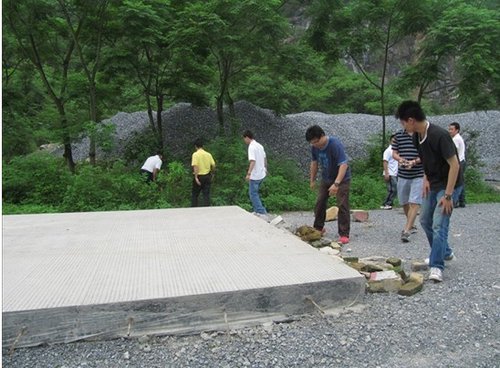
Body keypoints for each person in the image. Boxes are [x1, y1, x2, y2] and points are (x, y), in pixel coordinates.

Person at [396, 100, 463, 282]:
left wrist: (448, 195)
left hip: (450, 185)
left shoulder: (439, 135)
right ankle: (444, 252)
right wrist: (425, 178)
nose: (402, 126)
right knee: (425, 220)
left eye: (402, 122)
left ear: (410, 120)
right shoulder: (417, 136)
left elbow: (455, 165)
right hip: (433, 183)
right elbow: (424, 159)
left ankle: (436, 265)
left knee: (439, 224)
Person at [305, 125, 351, 245]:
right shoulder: (314, 147)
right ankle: (318, 228)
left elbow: (343, 165)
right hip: (326, 177)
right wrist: (312, 180)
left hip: (342, 178)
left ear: (322, 136)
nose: (315, 145)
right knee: (320, 201)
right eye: (312, 143)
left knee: (342, 204)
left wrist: (336, 184)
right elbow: (314, 163)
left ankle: (344, 233)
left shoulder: (335, 144)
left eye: (316, 142)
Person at [392, 119, 424, 242]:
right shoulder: (398, 135)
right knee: (404, 201)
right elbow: (394, 153)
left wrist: (414, 161)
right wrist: (401, 160)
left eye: (405, 121)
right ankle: (411, 223)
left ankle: (406, 230)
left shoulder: (421, 135)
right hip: (403, 173)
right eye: (402, 122)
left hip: (418, 173)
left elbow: (426, 154)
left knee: (414, 202)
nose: (404, 124)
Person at [243, 130, 267, 215]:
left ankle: (260, 211)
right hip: (262, 173)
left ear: (247, 137)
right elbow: (264, 158)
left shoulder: (251, 147)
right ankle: (259, 210)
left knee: (253, 194)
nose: (244, 141)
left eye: (244, 139)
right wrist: (265, 168)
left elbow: (252, 161)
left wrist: (249, 173)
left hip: (255, 175)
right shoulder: (260, 146)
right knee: (256, 193)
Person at [191, 138, 216, 207]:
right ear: (203, 146)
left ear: (195, 146)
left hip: (199, 176)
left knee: (195, 195)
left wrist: (196, 177)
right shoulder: (208, 154)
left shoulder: (195, 155)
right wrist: (213, 174)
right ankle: (207, 210)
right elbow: (213, 165)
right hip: (207, 176)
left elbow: (195, 166)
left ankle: (194, 209)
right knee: (206, 195)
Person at [448, 122, 466, 208]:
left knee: (457, 181)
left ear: (457, 130)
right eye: (449, 129)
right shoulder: (457, 138)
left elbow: (452, 152)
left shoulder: (456, 139)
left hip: (459, 162)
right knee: (461, 181)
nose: (450, 131)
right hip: (461, 160)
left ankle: (455, 200)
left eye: (452, 129)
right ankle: (462, 201)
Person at [381, 134, 398, 210]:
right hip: (390, 173)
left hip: (395, 172)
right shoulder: (388, 151)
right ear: (390, 141)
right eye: (393, 141)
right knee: (392, 189)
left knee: (394, 189)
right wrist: (386, 173)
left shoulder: (396, 150)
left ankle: (389, 203)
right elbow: (385, 162)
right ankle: (386, 203)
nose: (394, 142)